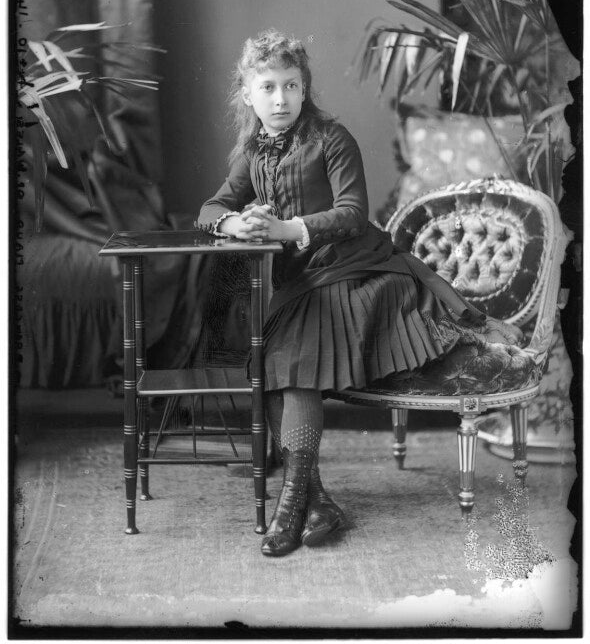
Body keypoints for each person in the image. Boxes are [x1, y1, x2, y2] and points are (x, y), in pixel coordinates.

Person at [198, 29, 522, 558]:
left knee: (292, 359)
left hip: (360, 271)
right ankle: (317, 503)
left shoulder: (331, 137)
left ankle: (290, 505)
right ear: (248, 94)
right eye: (268, 87)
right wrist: (238, 222)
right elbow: (211, 208)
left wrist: (284, 229)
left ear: (305, 89)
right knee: (275, 361)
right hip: (303, 283)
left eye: (291, 85)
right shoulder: (253, 149)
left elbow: (351, 213)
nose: (280, 99)